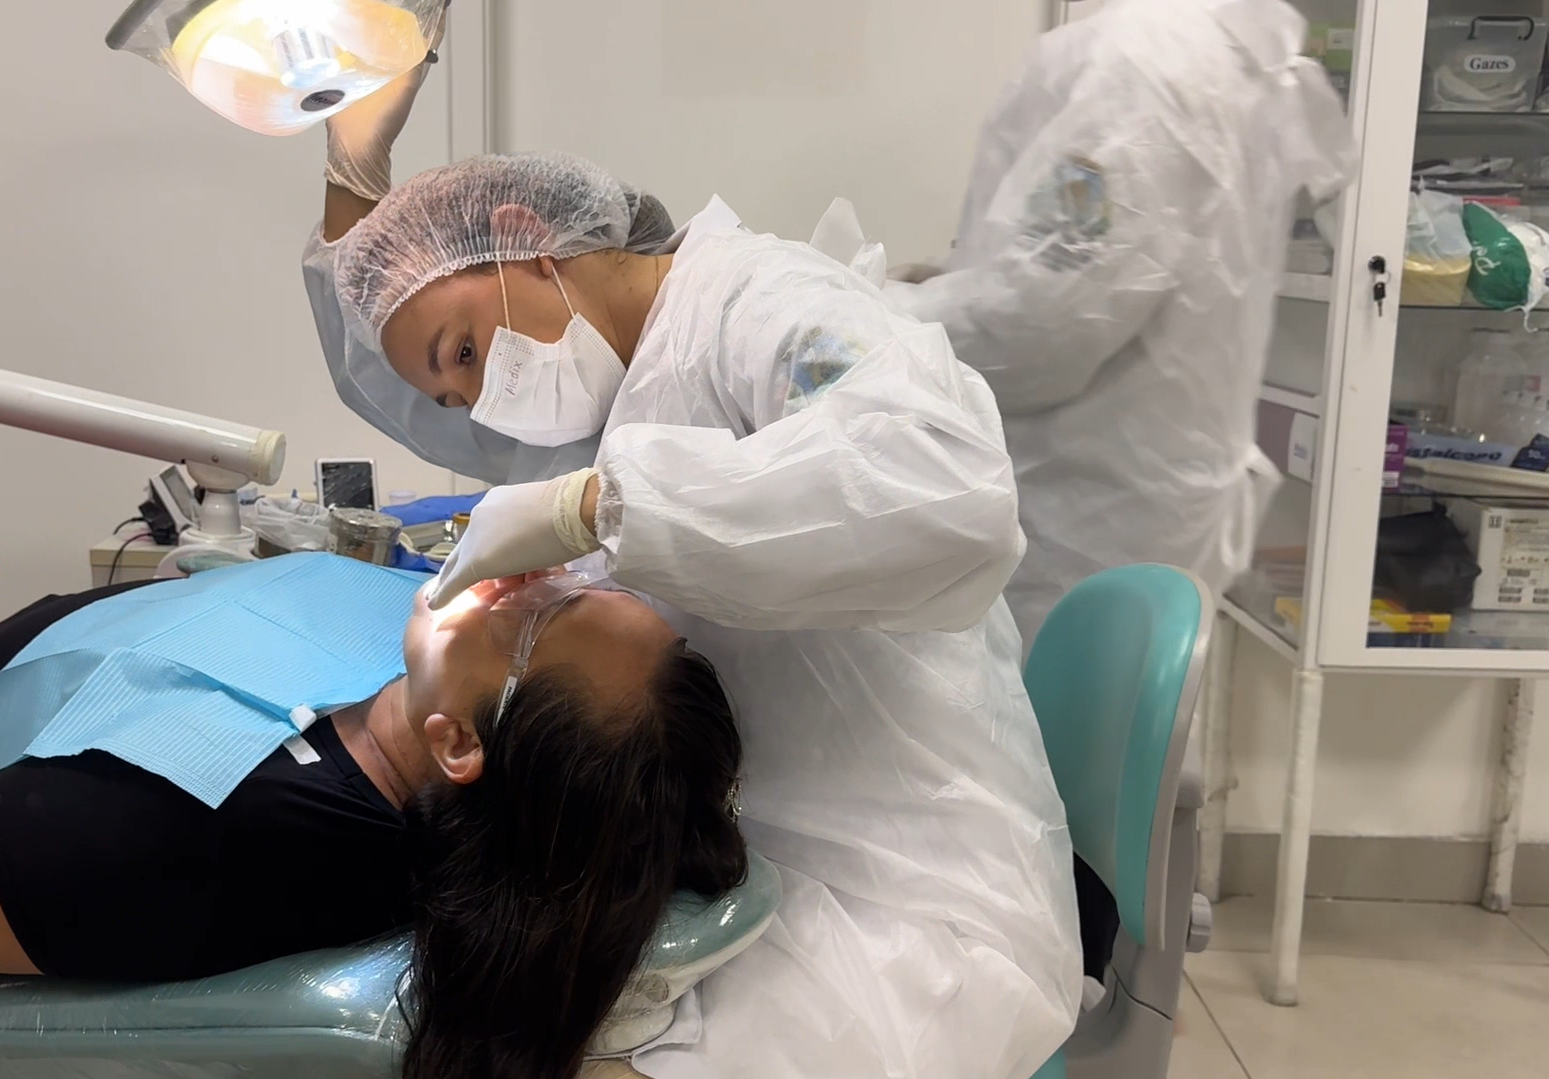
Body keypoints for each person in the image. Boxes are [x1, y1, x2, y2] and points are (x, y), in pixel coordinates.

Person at [301, 78, 1081, 1079]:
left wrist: (595, 507)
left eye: (464, 352)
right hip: (758, 860)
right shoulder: (605, 389)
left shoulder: (756, 305)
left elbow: (945, 488)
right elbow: (391, 374)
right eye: (455, 393)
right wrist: (352, 175)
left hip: (915, 903)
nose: (476, 402)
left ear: (523, 236)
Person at [0, 537, 747, 1079]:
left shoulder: (197, 830)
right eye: (581, 581)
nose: (528, 572)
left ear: (459, 744)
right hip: (22, 685)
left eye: (539, 616)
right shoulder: (441, 695)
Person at [881, 0, 1354, 643]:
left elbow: (1042, 325)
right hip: (1145, 494)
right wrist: (945, 281)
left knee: (1044, 700)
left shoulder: (1143, 62)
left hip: (1083, 516)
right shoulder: (1215, 52)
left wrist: (870, 315)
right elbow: (1097, 265)